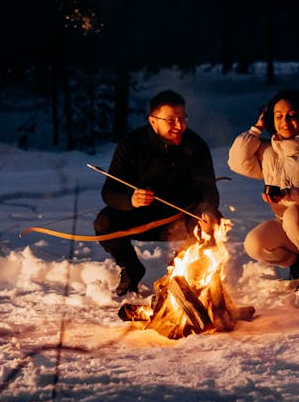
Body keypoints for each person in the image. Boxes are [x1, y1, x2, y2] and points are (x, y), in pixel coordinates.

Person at [93, 90, 221, 297]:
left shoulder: (195, 145)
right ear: (153, 121)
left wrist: (207, 211)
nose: (180, 126)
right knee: (104, 223)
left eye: (182, 118)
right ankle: (131, 269)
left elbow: (209, 192)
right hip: (140, 216)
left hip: (181, 216)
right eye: (172, 120)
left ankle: (182, 275)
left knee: (211, 222)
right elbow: (109, 192)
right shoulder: (132, 144)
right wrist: (130, 200)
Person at [228, 89, 299, 287]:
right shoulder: (269, 151)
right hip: (288, 225)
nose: (285, 122)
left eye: (292, 116)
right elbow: (237, 162)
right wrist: (257, 128)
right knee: (255, 243)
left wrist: (288, 194)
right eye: (278, 116)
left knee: (293, 216)